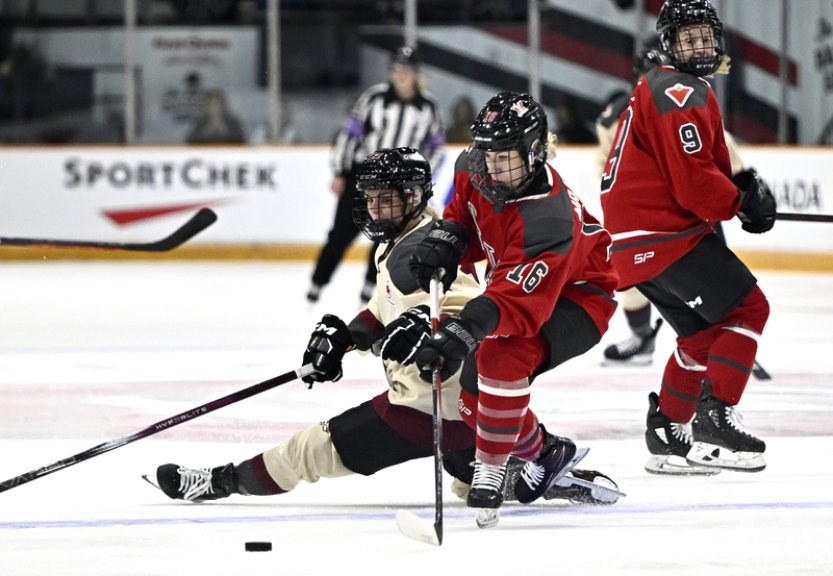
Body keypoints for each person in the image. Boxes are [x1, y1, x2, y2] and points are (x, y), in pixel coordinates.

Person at [148, 147, 619, 510]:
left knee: (313, 448)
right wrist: (345, 339)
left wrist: (431, 326)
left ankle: (219, 481)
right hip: (430, 402)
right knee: (458, 478)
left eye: (386, 199)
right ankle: (537, 461)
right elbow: (382, 311)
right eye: (370, 199)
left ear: (413, 198)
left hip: (437, 407)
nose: (374, 209)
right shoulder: (399, 244)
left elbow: (463, 304)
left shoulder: (427, 251)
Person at [404, 92, 619, 524]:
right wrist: (447, 243)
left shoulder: (550, 218)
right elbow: (463, 216)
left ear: (536, 152)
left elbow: (513, 303)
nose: (493, 167)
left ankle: (492, 467)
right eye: (488, 154)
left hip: (578, 298)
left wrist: (462, 332)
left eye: (506, 158)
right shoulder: (474, 165)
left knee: (501, 357)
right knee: (470, 400)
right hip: (518, 288)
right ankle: (545, 452)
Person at [599, 0, 776, 475]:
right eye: (688, 38)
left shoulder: (660, 87)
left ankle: (667, 431)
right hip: (665, 234)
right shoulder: (679, 89)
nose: (699, 45)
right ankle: (715, 420)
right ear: (669, 44)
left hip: (637, 246)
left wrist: (736, 194)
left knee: (700, 338)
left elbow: (690, 173)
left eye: (705, 36)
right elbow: (693, 180)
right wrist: (739, 203)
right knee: (748, 309)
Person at [306, 46, 445, 305]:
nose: (400, 75)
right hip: (363, 176)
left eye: (405, 70)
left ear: (416, 74)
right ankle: (316, 285)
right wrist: (339, 170)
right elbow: (349, 135)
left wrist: (420, 180)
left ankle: (370, 291)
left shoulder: (428, 108)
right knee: (340, 234)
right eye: (396, 69)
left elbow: (436, 148)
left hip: (399, 184)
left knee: (388, 236)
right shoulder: (374, 99)